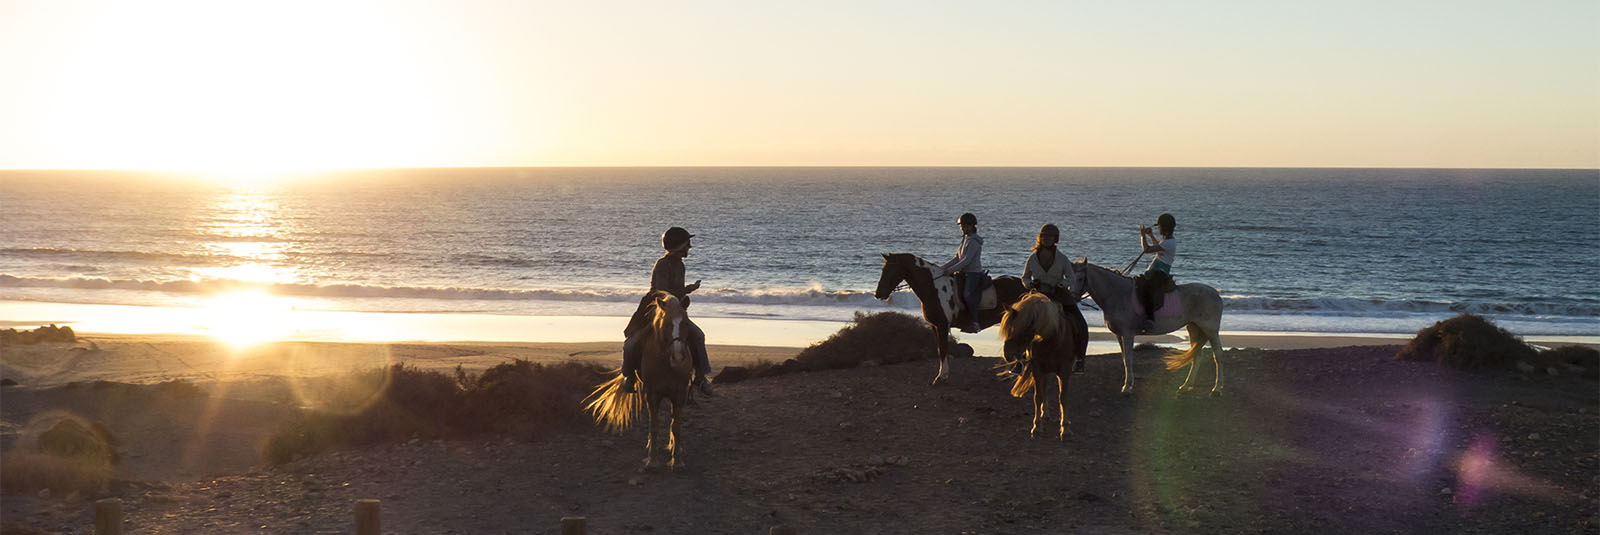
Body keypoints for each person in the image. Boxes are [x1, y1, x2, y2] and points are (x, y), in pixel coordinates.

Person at [619, 227, 713, 396]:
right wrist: (688, 289)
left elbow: (675, 293)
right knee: (631, 344)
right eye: (687, 244)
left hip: (675, 310)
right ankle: (629, 377)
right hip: (657, 309)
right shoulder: (662, 264)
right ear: (679, 246)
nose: (689, 247)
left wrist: (684, 293)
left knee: (698, 335)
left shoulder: (680, 265)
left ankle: (701, 376)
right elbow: (662, 293)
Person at [1021, 223, 1090, 373]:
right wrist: (1030, 284)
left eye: (1050, 237)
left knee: (1080, 324)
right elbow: (1024, 278)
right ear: (1040, 238)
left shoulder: (1062, 259)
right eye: (1044, 236)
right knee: (1020, 321)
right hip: (1038, 295)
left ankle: (1079, 359)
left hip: (1058, 294)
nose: (1046, 239)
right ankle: (1020, 361)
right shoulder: (1032, 259)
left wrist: (1060, 284)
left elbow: (1071, 278)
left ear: (1055, 239)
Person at [941, 212, 985, 333]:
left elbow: (966, 260)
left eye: (965, 226)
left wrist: (950, 270)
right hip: (962, 273)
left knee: (967, 295)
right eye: (962, 226)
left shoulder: (974, 242)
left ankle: (975, 323)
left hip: (973, 273)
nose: (963, 228)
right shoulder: (965, 240)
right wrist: (941, 268)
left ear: (971, 226)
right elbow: (957, 258)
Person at [1135, 213, 1178, 333]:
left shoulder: (1168, 242)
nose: (1157, 228)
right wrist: (1150, 235)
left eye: (1158, 227)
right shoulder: (1166, 241)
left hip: (1160, 273)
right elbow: (1157, 246)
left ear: (1164, 227)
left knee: (1147, 289)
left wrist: (1143, 236)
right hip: (1155, 271)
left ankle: (1150, 320)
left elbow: (1147, 250)